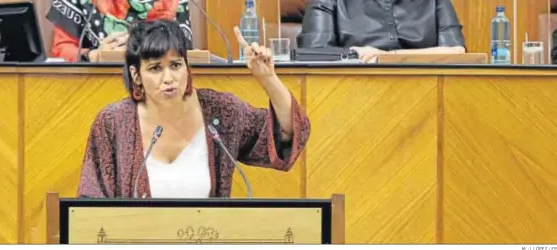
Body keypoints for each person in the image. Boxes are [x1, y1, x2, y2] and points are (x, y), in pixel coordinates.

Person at [77, 19, 311, 198]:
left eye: (176, 65)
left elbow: (286, 134)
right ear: (136, 74)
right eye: (156, 68)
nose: (169, 78)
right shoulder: (113, 122)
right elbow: (90, 203)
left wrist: (268, 78)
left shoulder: (219, 112)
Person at [296, 0, 466, 63]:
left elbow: (456, 52)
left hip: (427, 92)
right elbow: (314, 55)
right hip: (351, 93)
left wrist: (386, 56)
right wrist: (358, 57)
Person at [46, 0, 193, 63]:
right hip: (94, 87)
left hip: (159, 89)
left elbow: (184, 53)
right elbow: (62, 50)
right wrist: (95, 55)